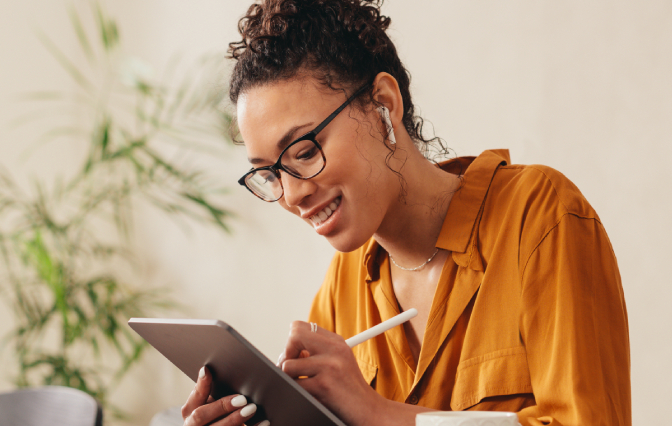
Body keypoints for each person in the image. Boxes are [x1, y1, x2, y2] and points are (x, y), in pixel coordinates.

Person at [180, 1, 631, 425]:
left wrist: (377, 414)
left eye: (303, 150)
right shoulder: (344, 286)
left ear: (383, 104)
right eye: (270, 174)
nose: (292, 194)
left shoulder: (539, 216)